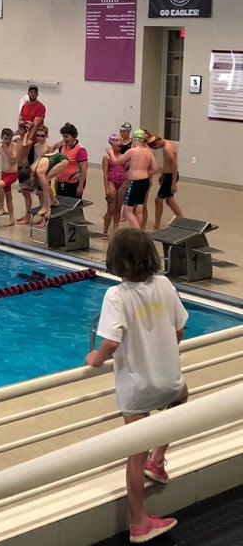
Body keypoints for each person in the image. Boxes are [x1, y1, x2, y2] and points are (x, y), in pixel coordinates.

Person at [85, 227, 188, 544]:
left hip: (135, 388)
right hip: (167, 379)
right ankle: (158, 461)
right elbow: (179, 329)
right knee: (181, 398)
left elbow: (112, 341)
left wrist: (96, 358)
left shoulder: (117, 295)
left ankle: (138, 521)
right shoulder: (165, 285)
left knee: (134, 455)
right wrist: (163, 352)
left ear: (114, 260)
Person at [110, 129, 157, 229]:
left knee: (128, 211)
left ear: (134, 140)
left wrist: (110, 152)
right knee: (139, 208)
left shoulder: (132, 151)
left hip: (135, 183)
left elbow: (116, 162)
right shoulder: (148, 152)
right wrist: (145, 174)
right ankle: (139, 229)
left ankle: (138, 232)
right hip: (145, 182)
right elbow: (155, 169)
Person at [17, 152, 68, 226]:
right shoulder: (31, 170)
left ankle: (48, 205)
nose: (30, 183)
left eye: (29, 182)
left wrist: (47, 207)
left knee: (45, 181)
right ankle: (54, 201)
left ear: (31, 175)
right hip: (48, 158)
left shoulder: (39, 172)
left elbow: (46, 189)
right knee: (42, 183)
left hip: (62, 160)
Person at [146, 132, 184, 230]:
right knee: (170, 201)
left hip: (171, 177)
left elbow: (174, 166)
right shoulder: (167, 143)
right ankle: (183, 220)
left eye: (156, 148)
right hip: (168, 176)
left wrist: (173, 183)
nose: (157, 149)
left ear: (157, 143)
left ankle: (156, 225)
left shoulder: (167, 149)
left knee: (158, 200)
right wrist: (163, 174)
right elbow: (167, 163)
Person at [54, 122, 88, 198]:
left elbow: (84, 169)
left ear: (74, 136)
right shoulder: (62, 147)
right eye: (63, 137)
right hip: (61, 182)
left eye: (66, 136)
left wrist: (80, 186)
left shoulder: (80, 150)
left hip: (74, 183)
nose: (64, 139)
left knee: (73, 207)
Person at [102, 134, 127, 238]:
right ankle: (105, 232)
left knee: (118, 209)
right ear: (111, 143)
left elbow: (125, 169)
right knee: (111, 209)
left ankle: (115, 231)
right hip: (111, 182)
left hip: (122, 183)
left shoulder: (123, 156)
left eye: (120, 140)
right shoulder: (106, 156)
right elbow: (105, 173)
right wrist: (106, 188)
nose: (120, 142)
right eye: (117, 140)